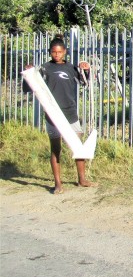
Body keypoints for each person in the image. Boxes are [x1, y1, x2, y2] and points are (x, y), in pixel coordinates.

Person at [25, 36, 97, 194]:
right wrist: (29, 73)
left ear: (64, 52)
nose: (57, 55)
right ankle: (58, 184)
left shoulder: (71, 68)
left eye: (59, 52)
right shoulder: (44, 68)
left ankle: (82, 179)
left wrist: (86, 69)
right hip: (52, 114)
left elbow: (86, 82)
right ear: (50, 52)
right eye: (54, 52)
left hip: (70, 113)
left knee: (78, 147)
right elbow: (29, 87)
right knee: (55, 149)